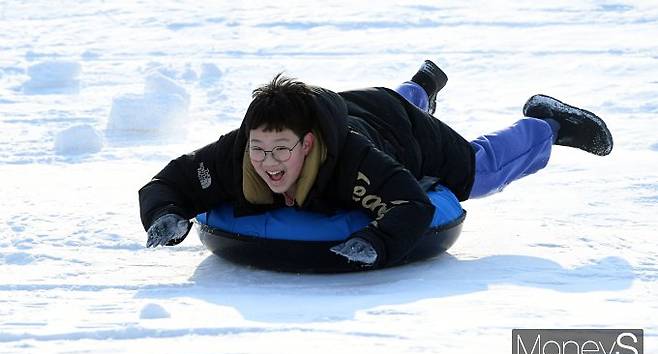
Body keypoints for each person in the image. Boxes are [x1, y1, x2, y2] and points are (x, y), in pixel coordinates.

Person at [139, 60, 613, 268]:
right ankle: (419, 88)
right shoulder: (237, 153)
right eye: (259, 150)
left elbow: (412, 204)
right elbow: (170, 180)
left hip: (394, 126)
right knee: (390, 106)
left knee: (474, 171)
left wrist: (376, 242)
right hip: (357, 107)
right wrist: (164, 213)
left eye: (281, 150)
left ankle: (546, 124)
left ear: (306, 145)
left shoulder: (353, 162)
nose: (268, 162)